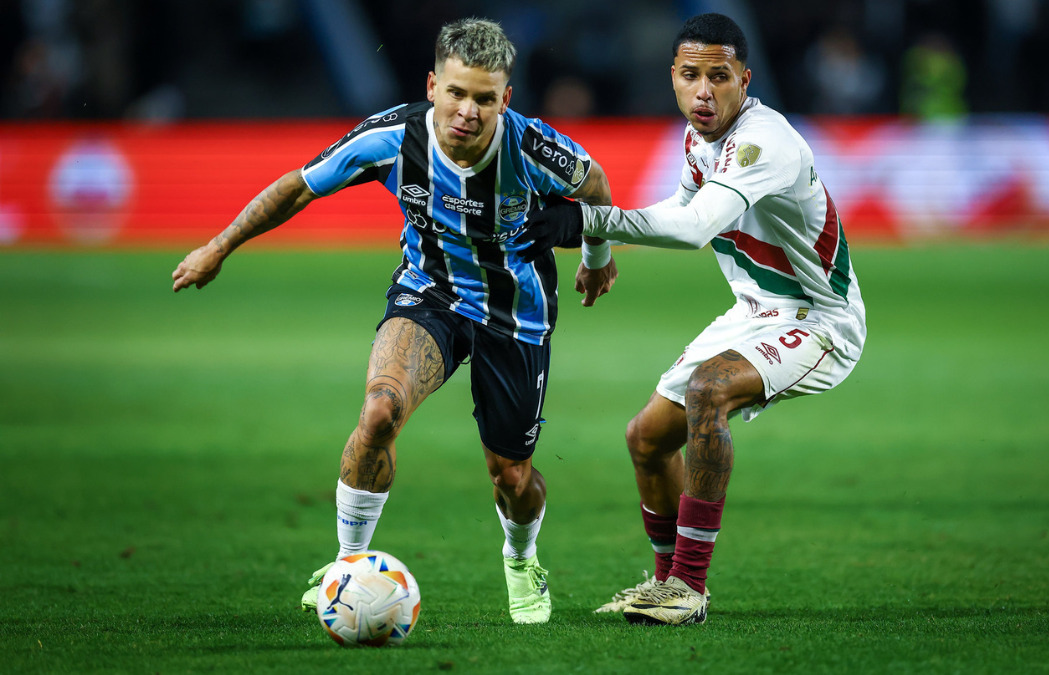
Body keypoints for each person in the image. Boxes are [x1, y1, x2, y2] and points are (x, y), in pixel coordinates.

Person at [171, 17, 619, 625]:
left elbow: (594, 185)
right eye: (456, 93)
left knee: (511, 476)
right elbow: (299, 187)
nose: (468, 111)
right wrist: (219, 246)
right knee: (379, 411)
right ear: (433, 85)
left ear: (505, 99)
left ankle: (522, 558)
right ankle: (346, 568)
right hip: (427, 294)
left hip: (515, 315)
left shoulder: (532, 146)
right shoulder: (391, 138)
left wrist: (597, 258)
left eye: (485, 98)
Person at [518, 13, 866, 626]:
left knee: (709, 391)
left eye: (718, 76)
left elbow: (695, 227)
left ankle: (690, 587)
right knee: (646, 439)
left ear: (744, 79)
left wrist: (585, 223)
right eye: (689, 76)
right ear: (672, 79)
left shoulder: (765, 143)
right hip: (752, 311)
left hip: (818, 320)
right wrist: (602, 244)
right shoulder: (697, 140)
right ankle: (663, 585)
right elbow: (680, 205)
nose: (703, 91)